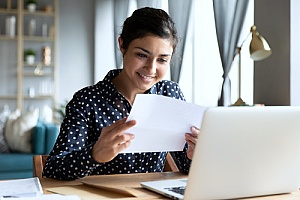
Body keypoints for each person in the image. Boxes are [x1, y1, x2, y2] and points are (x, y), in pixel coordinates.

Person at [43, 7, 199, 180]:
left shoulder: (170, 94)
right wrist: (93, 155)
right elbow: (53, 169)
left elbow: (186, 166)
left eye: (162, 59)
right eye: (141, 55)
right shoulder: (87, 101)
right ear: (122, 45)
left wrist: (197, 155)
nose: (151, 68)